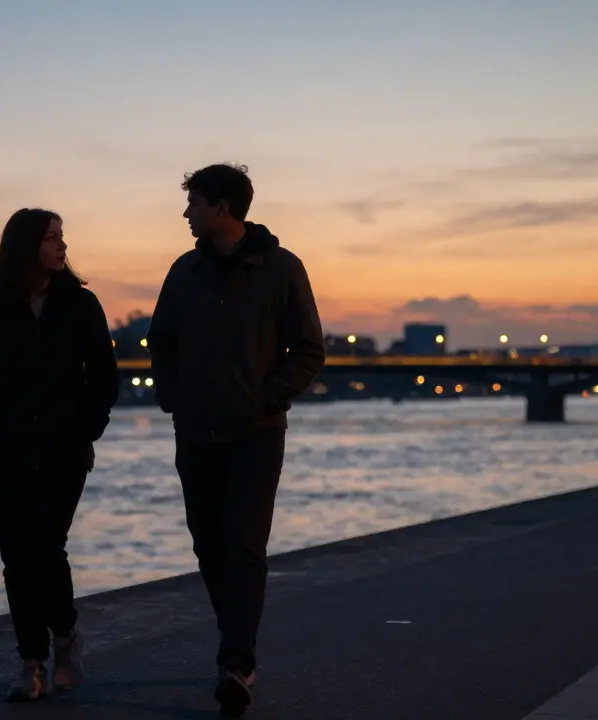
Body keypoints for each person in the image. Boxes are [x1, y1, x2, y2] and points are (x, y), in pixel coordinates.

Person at [146, 163, 326, 718]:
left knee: (244, 544)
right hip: (196, 430)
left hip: (255, 433)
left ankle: (237, 660)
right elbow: (160, 340)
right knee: (208, 544)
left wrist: (269, 398)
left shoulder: (281, 269)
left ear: (221, 207)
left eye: (194, 204)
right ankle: (236, 645)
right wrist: (174, 396)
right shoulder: (184, 272)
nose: (186, 214)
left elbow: (309, 348)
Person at [0, 207, 119, 702]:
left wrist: (87, 429)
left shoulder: (81, 305)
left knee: (44, 546)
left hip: (64, 451)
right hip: (7, 450)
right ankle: (31, 662)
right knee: (16, 558)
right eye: (51, 238)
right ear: (26, 246)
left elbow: (104, 377)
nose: (62, 246)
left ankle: (64, 638)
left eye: (63, 237)